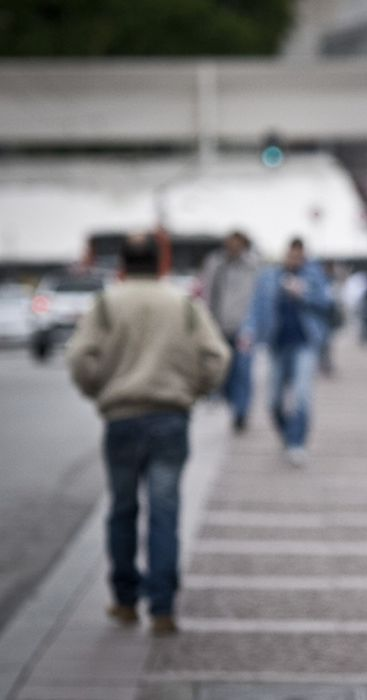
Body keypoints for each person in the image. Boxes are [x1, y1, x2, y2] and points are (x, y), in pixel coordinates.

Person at [66, 235, 230, 635]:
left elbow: (78, 356)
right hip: (170, 417)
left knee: (122, 509)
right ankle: (162, 606)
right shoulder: (182, 305)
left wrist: (99, 390)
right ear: (160, 264)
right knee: (165, 511)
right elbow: (217, 356)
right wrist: (194, 390)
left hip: (122, 416)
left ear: (122, 264)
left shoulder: (107, 304)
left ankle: (124, 600)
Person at [239, 238, 334, 467]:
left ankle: (297, 442)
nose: (294, 260)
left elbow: (328, 303)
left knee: (302, 395)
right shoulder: (270, 276)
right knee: (273, 401)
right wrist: (248, 331)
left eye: (299, 256)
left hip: (305, 343)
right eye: (291, 255)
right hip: (277, 344)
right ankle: (287, 434)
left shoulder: (313, 275)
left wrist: (304, 293)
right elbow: (256, 307)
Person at [199, 230, 260, 433]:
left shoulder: (252, 265)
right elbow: (207, 292)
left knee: (243, 371)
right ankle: (226, 400)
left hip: (244, 327)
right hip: (219, 325)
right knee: (223, 370)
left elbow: (257, 297)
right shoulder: (215, 263)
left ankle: (241, 413)